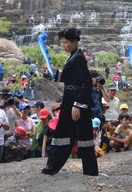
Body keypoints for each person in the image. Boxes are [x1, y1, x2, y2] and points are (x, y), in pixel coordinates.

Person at [42, 27, 98, 176]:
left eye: (66, 42)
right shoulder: (73, 55)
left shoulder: (78, 57)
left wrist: (77, 104)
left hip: (76, 100)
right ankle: (88, 170)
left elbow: (86, 82)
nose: (63, 45)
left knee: (69, 131)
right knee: (74, 132)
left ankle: (53, 167)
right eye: (61, 42)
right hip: (71, 98)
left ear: (74, 42)